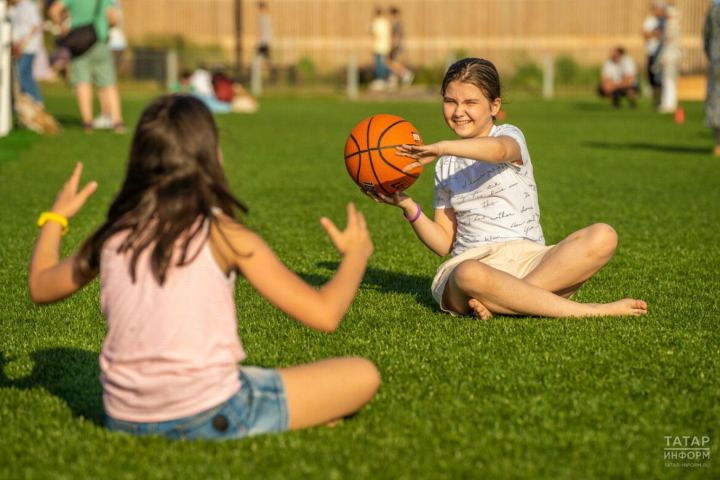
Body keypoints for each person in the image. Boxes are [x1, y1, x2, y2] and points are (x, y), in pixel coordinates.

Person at [27, 94, 380, 440]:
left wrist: (56, 219)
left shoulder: (114, 234)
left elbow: (41, 286)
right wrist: (355, 255)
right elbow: (325, 314)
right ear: (211, 155)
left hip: (122, 419)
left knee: (257, 377)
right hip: (214, 413)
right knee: (363, 374)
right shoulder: (225, 235)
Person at [365, 58, 648, 319]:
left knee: (603, 236)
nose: (459, 111)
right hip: (475, 266)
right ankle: (587, 311)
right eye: (450, 101)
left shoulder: (509, 136)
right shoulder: (444, 165)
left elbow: (498, 151)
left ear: (495, 106)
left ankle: (506, 300)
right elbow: (443, 243)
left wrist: (441, 147)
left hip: (530, 259)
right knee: (467, 274)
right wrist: (408, 206)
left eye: (470, 103)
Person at [48, 0, 125, 133]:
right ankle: (117, 122)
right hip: (98, 40)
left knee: (82, 83)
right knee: (108, 83)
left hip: (78, 43)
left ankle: (88, 123)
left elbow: (53, 11)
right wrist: (107, 26)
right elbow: (112, 18)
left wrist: (62, 27)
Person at [9, 0, 44, 104]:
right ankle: (24, 103)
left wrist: (23, 43)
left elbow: (36, 26)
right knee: (21, 75)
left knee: (22, 74)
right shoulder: (15, 9)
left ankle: (37, 100)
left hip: (28, 48)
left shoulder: (29, 6)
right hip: (18, 48)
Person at [642, 0, 666, 107]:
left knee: (660, 78)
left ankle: (661, 99)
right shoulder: (650, 21)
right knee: (652, 77)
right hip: (652, 52)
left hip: (662, 54)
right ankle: (655, 99)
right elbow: (645, 34)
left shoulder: (664, 21)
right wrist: (655, 33)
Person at [704, 0, 720, 156]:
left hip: (716, 60)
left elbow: (706, 35)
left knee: (716, 101)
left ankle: (718, 144)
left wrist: (711, 56)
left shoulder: (714, 8)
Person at [658, 1, 681, 114]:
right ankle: (667, 103)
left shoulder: (672, 25)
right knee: (668, 80)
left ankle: (669, 104)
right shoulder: (672, 25)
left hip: (671, 57)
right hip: (671, 56)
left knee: (669, 81)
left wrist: (665, 57)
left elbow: (670, 43)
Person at [386, 6, 414, 89]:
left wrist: (393, 46)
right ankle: (393, 79)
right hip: (398, 45)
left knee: (390, 63)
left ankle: (406, 74)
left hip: (396, 46)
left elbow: (396, 37)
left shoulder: (396, 24)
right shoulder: (396, 23)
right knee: (393, 62)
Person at [369, 6, 391, 91]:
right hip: (385, 46)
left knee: (379, 64)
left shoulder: (377, 22)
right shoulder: (386, 22)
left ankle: (381, 80)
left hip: (378, 46)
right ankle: (386, 79)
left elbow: (375, 34)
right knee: (383, 63)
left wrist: (369, 30)